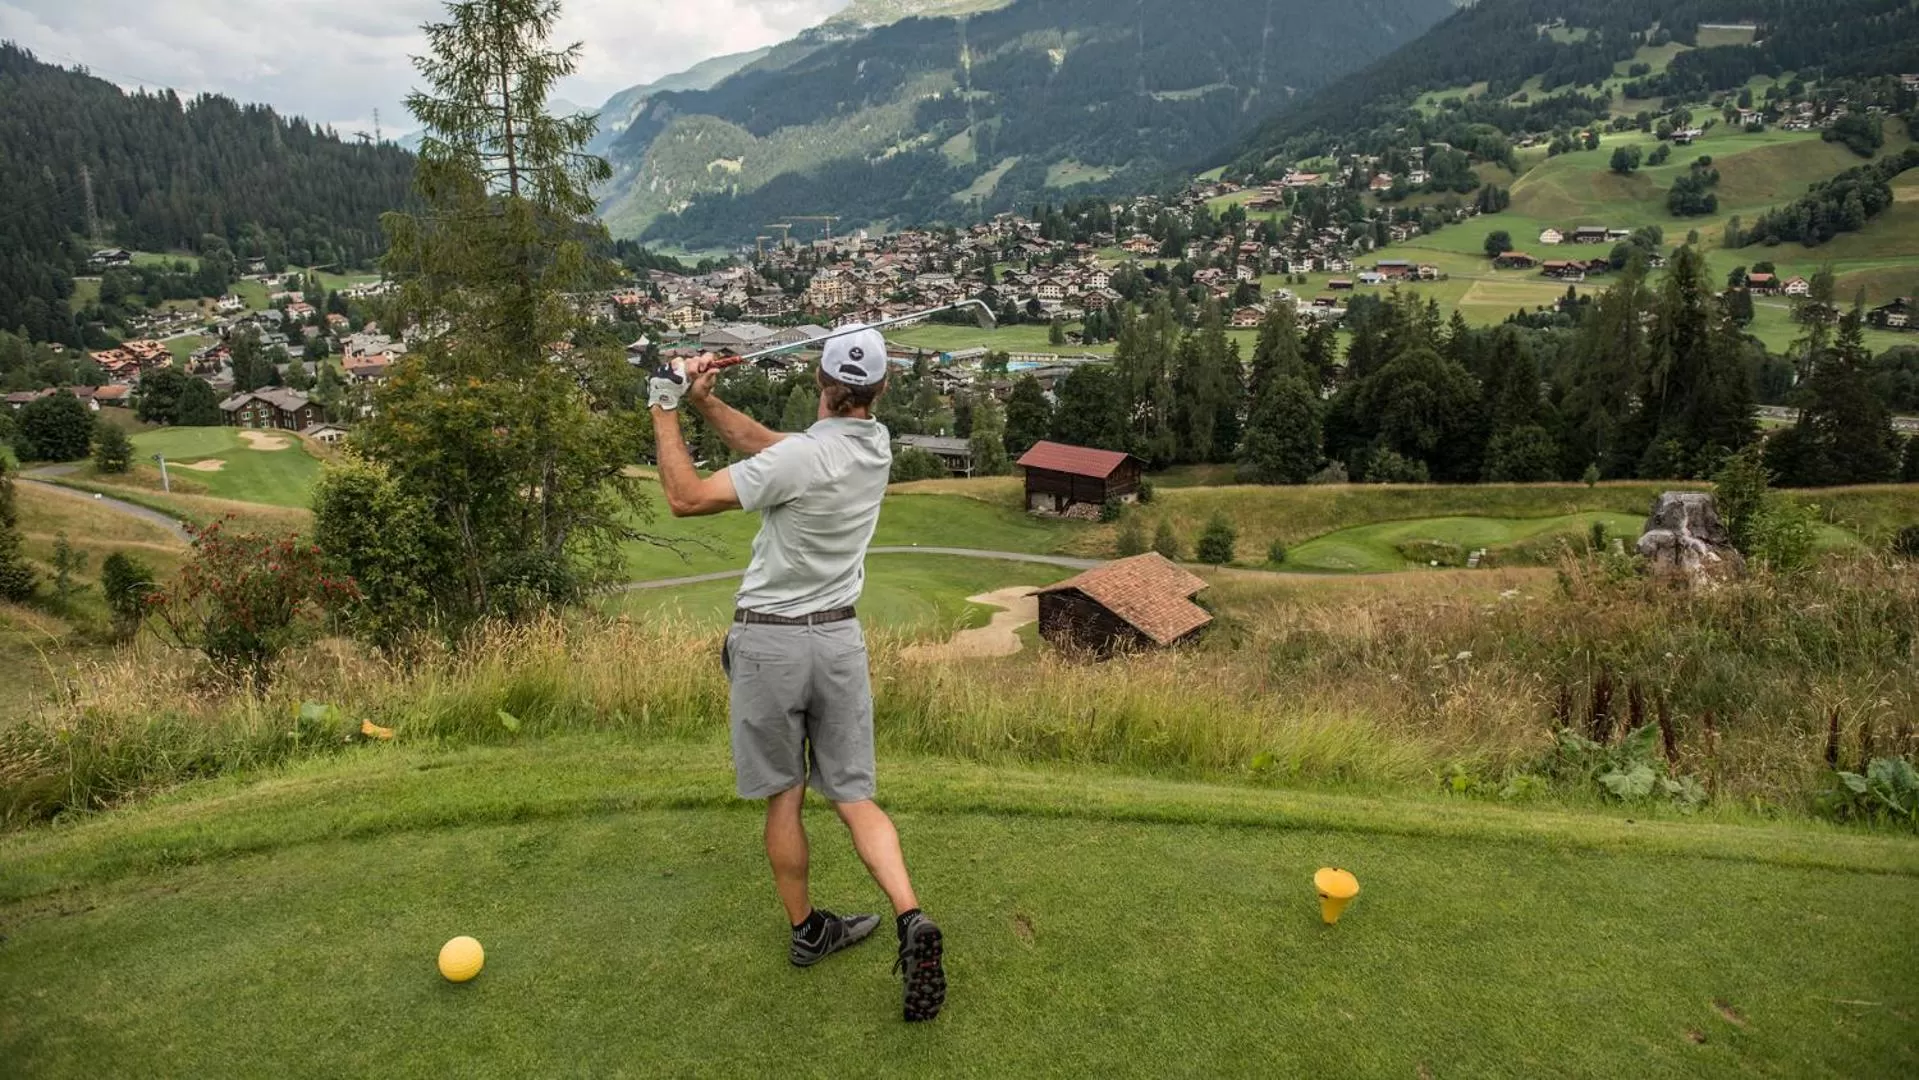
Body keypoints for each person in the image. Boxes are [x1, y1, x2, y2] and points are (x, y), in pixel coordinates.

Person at [647, 327, 947, 1023]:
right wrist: (700, 402)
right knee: (853, 796)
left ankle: (809, 931)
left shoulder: (804, 457)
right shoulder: (873, 447)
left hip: (769, 646)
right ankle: (911, 918)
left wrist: (664, 406)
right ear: (882, 386)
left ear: (818, 376)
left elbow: (686, 498)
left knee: (784, 795)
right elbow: (769, 447)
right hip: (838, 642)